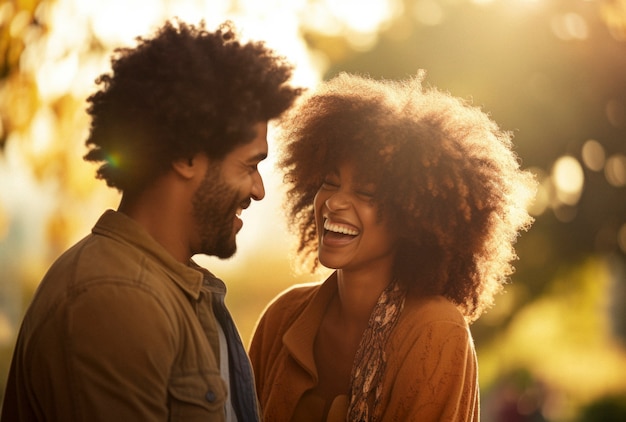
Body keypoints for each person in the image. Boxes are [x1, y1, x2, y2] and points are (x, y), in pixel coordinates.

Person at [1, 19, 301, 421]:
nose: (259, 190)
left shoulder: (176, 290)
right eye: (249, 165)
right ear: (187, 157)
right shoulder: (117, 297)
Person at [249, 72, 536, 421]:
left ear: (412, 216)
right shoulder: (283, 316)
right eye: (329, 182)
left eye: (366, 193)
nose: (335, 202)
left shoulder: (435, 330)